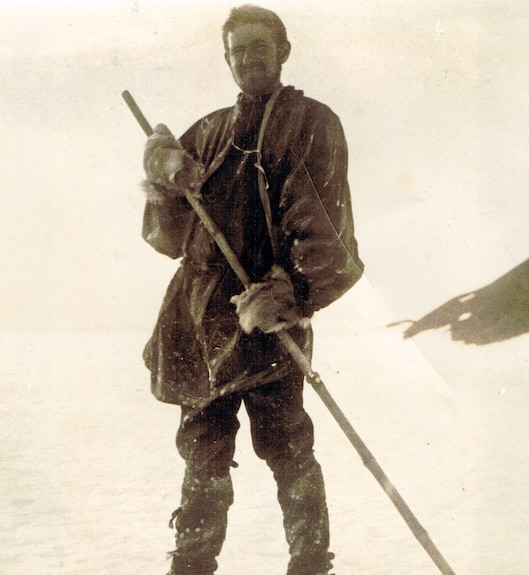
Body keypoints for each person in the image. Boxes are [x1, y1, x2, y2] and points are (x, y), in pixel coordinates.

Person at [139, 5, 364, 575]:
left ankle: (310, 563)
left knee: (287, 447)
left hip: (267, 316)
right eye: (237, 50)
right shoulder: (210, 131)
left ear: (283, 52)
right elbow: (167, 235)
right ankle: (191, 563)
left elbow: (326, 221)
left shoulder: (310, 123)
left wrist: (291, 292)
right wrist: (166, 174)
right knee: (203, 454)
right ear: (226, 58)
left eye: (258, 48)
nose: (247, 59)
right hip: (198, 320)